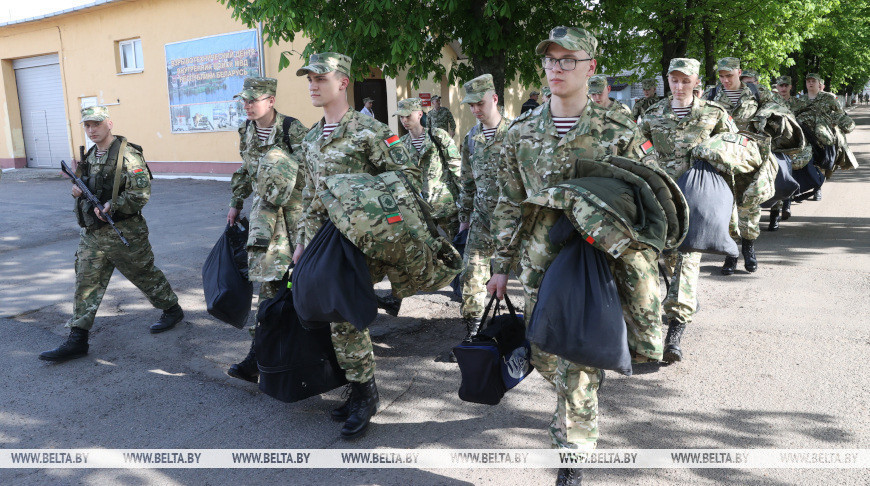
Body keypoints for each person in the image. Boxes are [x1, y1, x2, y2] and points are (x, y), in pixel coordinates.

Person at [487, 27, 661, 486]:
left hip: (594, 262)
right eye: (550, 60)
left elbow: (650, 198)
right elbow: (506, 202)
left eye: (568, 60)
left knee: (576, 365)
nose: (557, 68)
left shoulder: (620, 130)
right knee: (547, 353)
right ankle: (575, 407)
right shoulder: (520, 133)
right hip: (540, 265)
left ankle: (573, 455)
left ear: (591, 68)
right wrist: (499, 267)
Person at [292, 52, 421, 440]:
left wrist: (369, 213)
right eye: (309, 80)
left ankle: (365, 394)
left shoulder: (373, 133)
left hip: (358, 240)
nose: (312, 85)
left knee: (346, 318)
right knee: (330, 316)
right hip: (322, 240)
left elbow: (407, 179)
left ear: (343, 82)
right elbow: (311, 196)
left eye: (320, 78)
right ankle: (359, 386)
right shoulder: (313, 138)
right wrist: (301, 242)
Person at [39, 106, 184, 362]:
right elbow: (87, 186)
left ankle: (171, 309)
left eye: (96, 124)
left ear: (109, 123)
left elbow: (140, 194)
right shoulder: (91, 155)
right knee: (85, 282)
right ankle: (77, 339)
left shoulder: (128, 156)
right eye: (87, 125)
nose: (91, 130)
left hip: (124, 231)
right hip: (93, 233)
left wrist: (113, 206)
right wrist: (77, 190)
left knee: (144, 274)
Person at [639, 58, 738, 363]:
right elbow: (636, 142)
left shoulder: (714, 113)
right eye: (674, 80)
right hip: (658, 200)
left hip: (696, 199)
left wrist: (714, 152)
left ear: (696, 81)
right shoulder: (653, 113)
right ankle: (671, 309)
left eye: (685, 80)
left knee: (685, 262)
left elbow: (736, 146)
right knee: (660, 262)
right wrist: (650, 158)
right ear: (668, 80)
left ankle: (674, 334)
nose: (679, 86)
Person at [223, 77, 308, 383]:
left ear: (270, 101)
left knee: (299, 283)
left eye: (252, 100)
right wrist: (236, 202)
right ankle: (260, 356)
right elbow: (245, 169)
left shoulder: (292, 129)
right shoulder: (246, 130)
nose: (247, 106)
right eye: (244, 101)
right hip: (266, 220)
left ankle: (306, 354)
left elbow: (312, 171)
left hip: (295, 217)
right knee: (271, 286)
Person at [704, 57, 779, 275]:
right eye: (721, 76)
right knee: (726, 207)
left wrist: (764, 114)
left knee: (750, 203)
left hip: (750, 157)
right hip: (723, 159)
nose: (725, 80)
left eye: (729, 75)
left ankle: (749, 249)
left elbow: (779, 106)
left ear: (739, 72)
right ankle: (731, 254)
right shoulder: (711, 94)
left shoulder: (756, 92)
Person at [454, 73, 510, 351]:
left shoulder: (515, 132)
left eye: (480, 103)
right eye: (471, 105)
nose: (476, 109)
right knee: (472, 274)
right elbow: (466, 181)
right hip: (481, 219)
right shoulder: (471, 137)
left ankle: (540, 334)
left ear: (495, 98)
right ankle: (474, 333)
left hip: (513, 222)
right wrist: (464, 219)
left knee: (536, 276)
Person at [396, 97, 461, 239]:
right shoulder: (401, 144)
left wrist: (465, 200)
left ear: (419, 114)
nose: (404, 120)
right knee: (430, 253)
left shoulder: (438, 136)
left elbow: (456, 167)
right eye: (401, 117)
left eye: (408, 115)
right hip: (421, 210)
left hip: (445, 206)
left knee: (458, 247)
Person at [793, 73, 856, 201]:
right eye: (808, 81)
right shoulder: (800, 100)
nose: (810, 83)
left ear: (819, 84)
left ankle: (817, 189)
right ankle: (800, 188)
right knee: (802, 161)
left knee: (821, 163)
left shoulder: (828, 98)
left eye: (813, 81)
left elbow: (839, 114)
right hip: (804, 136)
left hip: (823, 137)